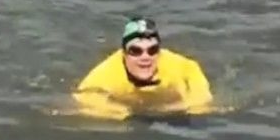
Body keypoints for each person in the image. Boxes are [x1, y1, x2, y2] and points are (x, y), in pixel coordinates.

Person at [71, 17, 215, 120]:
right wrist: (127, 112)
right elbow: (86, 102)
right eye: (135, 51)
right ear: (124, 53)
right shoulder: (104, 76)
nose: (145, 57)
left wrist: (174, 108)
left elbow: (202, 100)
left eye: (152, 50)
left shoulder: (178, 65)